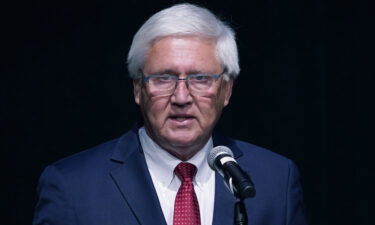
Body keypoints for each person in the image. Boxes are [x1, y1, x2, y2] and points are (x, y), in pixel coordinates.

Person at [33, 3, 307, 225]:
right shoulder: (72, 186)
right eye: (163, 78)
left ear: (226, 90)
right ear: (138, 89)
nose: (181, 97)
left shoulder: (275, 180)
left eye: (200, 78)